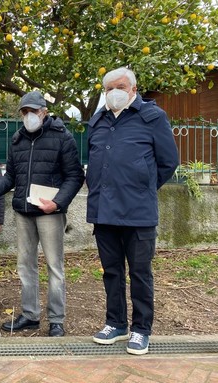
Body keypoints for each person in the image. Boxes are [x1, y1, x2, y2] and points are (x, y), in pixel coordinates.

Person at [87, 67, 179, 355]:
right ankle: (116, 323)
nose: (115, 92)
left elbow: (168, 162)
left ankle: (141, 329)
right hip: (104, 211)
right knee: (111, 272)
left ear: (133, 89)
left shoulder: (152, 117)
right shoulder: (98, 120)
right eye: (109, 88)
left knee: (140, 273)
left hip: (138, 212)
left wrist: (143, 187)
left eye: (120, 86)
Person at [0, 91, 85, 337]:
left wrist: (57, 203)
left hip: (49, 212)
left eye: (33, 111)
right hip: (23, 211)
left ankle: (56, 319)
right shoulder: (17, 139)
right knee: (25, 265)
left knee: (54, 267)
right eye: (25, 112)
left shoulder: (62, 137)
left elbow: (75, 176)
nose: (29, 116)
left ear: (44, 112)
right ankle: (30, 314)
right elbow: (11, 177)